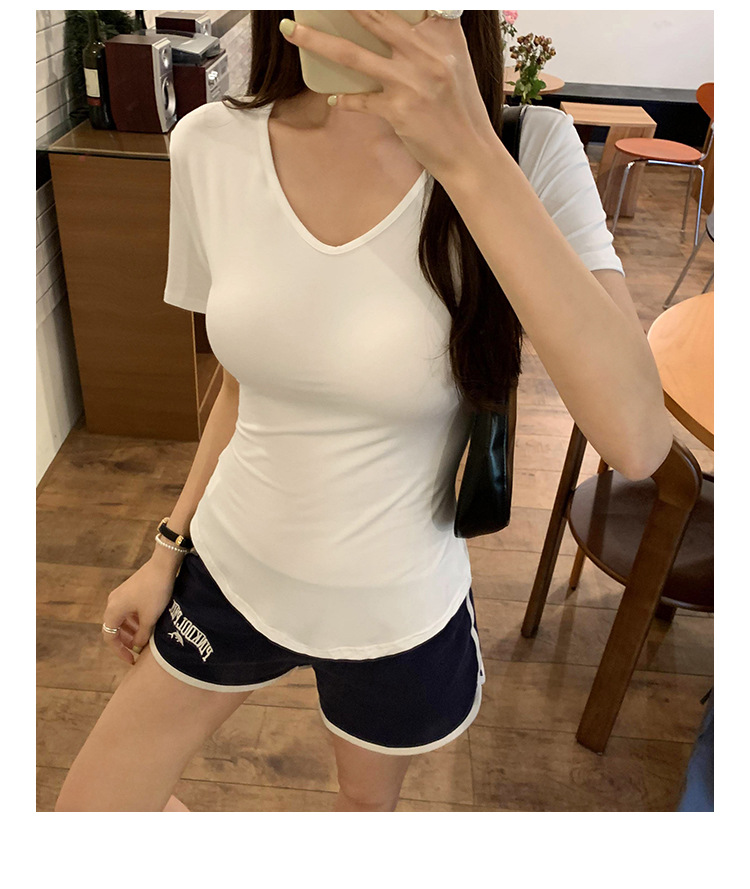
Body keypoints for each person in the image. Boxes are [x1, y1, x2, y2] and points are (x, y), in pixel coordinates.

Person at [54, 10, 673, 812]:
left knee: (362, 811)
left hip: (398, 608)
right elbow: (243, 387)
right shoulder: (210, 144)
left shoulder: (527, 150)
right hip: (232, 568)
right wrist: (166, 548)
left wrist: (467, 150)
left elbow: (636, 439)